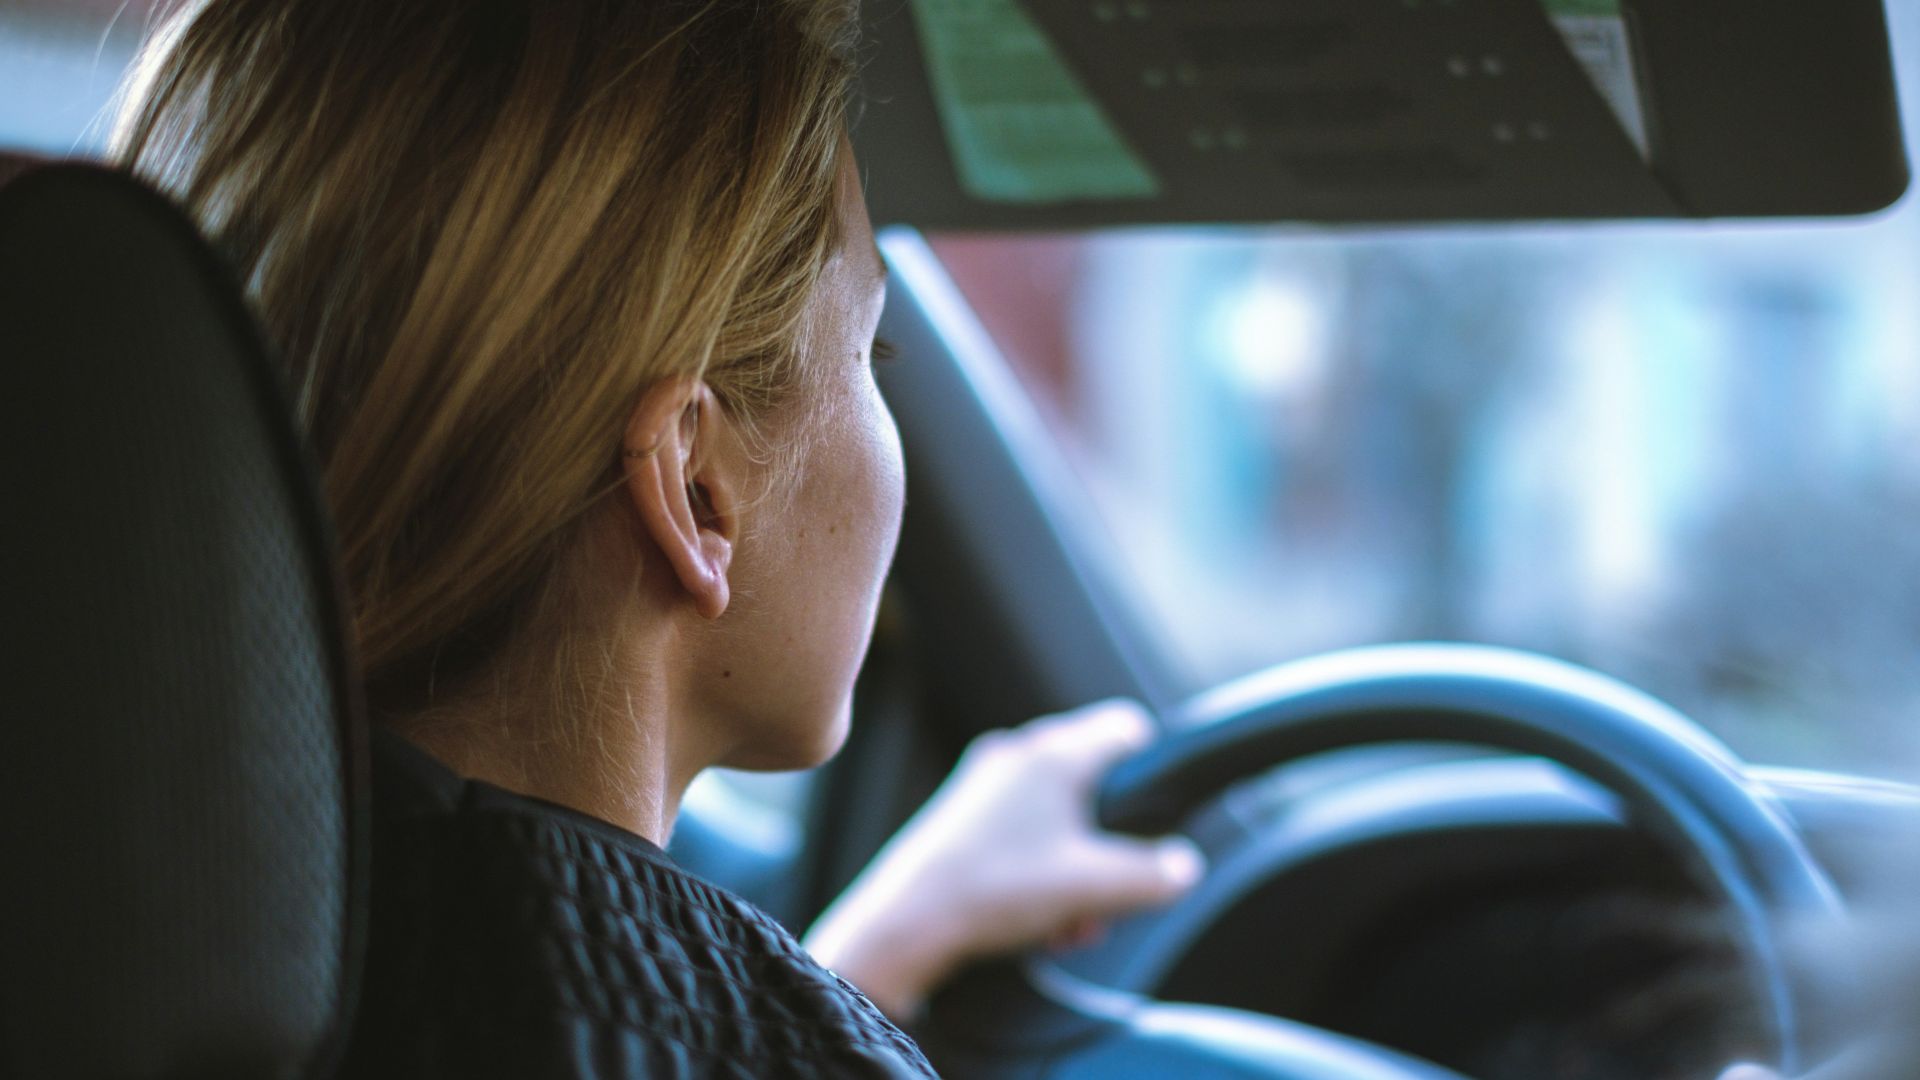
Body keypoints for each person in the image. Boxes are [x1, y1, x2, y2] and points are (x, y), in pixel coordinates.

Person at [111, 0, 1202, 1075]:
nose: (883, 403)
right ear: (695, 489)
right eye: (874, 358)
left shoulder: (133, 940)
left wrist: (870, 957)